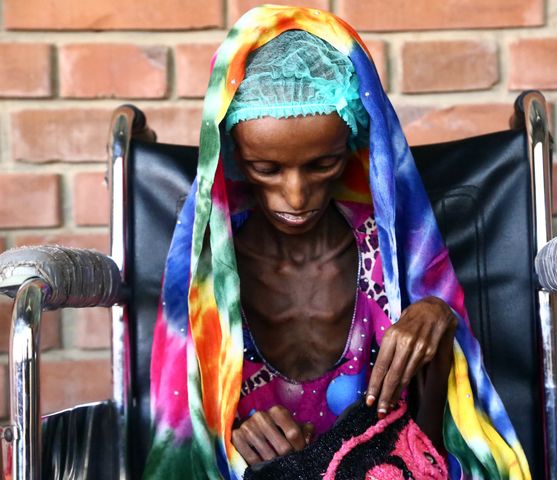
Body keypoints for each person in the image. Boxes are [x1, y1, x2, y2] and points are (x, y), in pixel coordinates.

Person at [145, 6, 530, 480]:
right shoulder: (206, 279)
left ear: (352, 147)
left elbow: (430, 448)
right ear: (234, 156)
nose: (296, 195)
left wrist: (438, 320)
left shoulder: (391, 256)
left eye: (320, 165)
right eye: (267, 169)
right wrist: (235, 439)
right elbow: (190, 442)